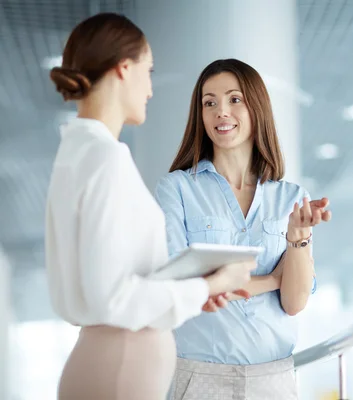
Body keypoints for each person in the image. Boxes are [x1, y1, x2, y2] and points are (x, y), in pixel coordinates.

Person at [45, 14, 255, 400]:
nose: (151, 89)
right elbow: (115, 298)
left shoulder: (78, 154)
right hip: (118, 372)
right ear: (124, 68)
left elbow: (105, 281)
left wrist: (190, 289)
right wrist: (212, 284)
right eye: (149, 70)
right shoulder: (103, 158)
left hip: (108, 364)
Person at [155, 58, 332, 400]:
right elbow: (182, 288)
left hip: (274, 380)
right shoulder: (177, 189)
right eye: (210, 103)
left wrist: (297, 238)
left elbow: (294, 302)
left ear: (256, 107)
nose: (221, 111)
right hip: (201, 380)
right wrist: (273, 278)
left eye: (234, 99)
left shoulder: (293, 199)